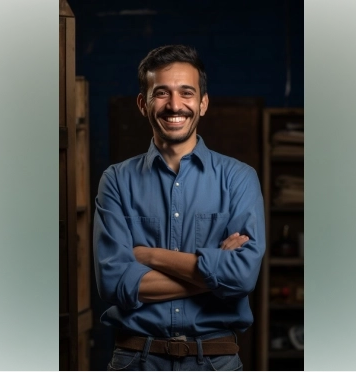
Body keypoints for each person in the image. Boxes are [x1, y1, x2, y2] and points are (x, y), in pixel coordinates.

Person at [93, 44, 266, 371]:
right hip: (136, 360)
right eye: (162, 93)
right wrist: (216, 274)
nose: (175, 105)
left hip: (215, 361)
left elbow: (243, 277)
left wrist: (148, 256)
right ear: (144, 104)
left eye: (186, 93)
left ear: (202, 103)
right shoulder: (115, 181)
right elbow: (113, 282)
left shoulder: (239, 178)